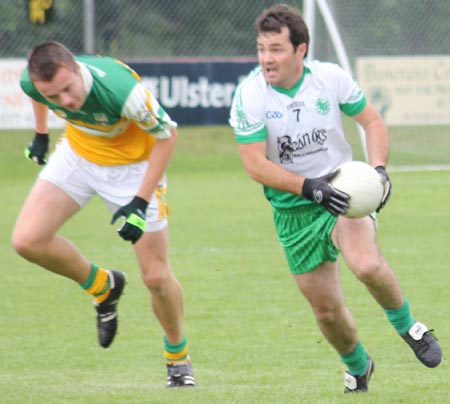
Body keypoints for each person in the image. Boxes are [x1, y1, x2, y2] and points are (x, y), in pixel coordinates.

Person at [229, 4, 442, 394]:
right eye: (261, 49)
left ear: (301, 50)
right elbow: (255, 165)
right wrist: (309, 187)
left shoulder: (329, 78)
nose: (266, 58)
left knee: (366, 265)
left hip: (344, 192)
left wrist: (378, 170)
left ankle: (411, 327)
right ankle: (358, 366)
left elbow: (372, 121)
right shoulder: (249, 95)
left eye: (276, 49)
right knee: (327, 313)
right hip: (293, 210)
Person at [12, 41, 195, 388]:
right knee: (27, 240)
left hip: (134, 168)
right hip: (78, 155)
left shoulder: (122, 91)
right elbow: (36, 93)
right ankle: (103, 286)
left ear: (78, 70)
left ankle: (177, 357)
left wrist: (140, 202)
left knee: (155, 276)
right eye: (55, 95)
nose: (64, 101)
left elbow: (168, 135)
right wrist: (40, 133)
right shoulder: (36, 82)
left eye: (68, 88)